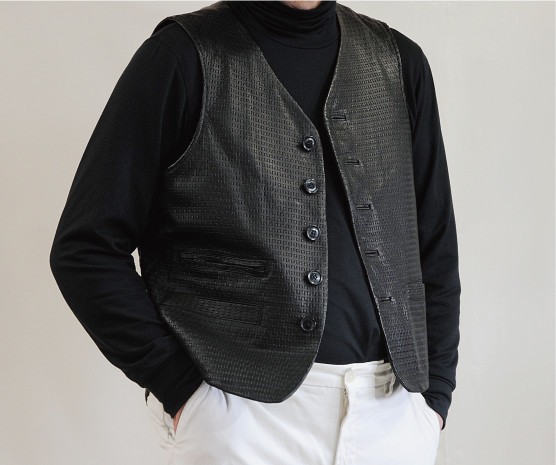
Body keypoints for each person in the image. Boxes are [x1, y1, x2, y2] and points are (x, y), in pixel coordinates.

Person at [49, 1, 460, 464]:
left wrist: (433, 401)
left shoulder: (400, 62)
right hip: (240, 418)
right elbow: (86, 247)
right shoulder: (182, 56)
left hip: (393, 415)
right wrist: (183, 392)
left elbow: (435, 249)